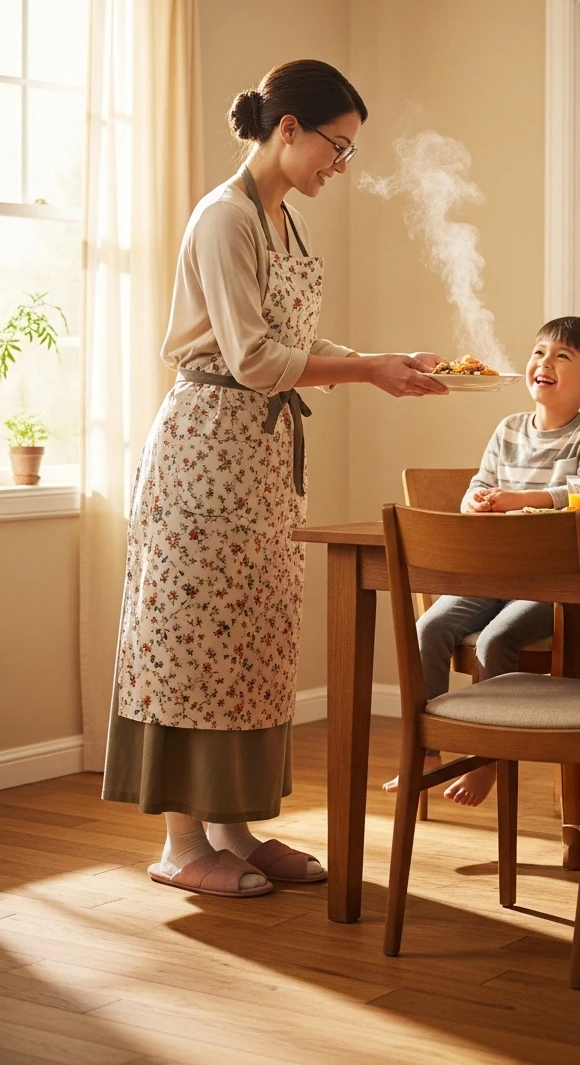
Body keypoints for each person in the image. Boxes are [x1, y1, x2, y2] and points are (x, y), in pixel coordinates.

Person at [103, 59, 448, 899]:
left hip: (257, 463)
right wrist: (366, 371)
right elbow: (255, 361)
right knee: (195, 639)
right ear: (286, 127)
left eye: (350, 152)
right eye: (338, 146)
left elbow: (295, 342)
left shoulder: (281, 221)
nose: (342, 164)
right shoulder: (224, 220)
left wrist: (382, 362)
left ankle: (235, 829)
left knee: (251, 638)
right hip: (206, 454)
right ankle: (182, 845)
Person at [384, 316, 580, 806]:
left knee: (495, 641)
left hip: (551, 585)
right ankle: (424, 755)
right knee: (428, 628)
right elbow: (479, 483)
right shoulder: (508, 428)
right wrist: (473, 500)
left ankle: (488, 760)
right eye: (539, 352)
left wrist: (520, 500)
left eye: (562, 357)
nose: (543, 363)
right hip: (490, 574)